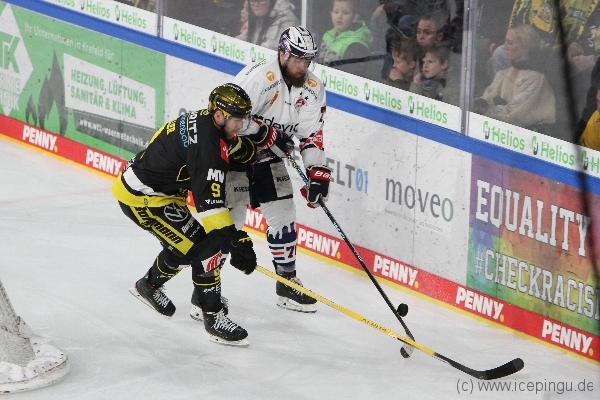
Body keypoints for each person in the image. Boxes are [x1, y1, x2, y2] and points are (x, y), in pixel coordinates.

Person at [111, 84, 259, 347]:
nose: (240, 125)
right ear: (219, 115)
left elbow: (173, 142)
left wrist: (240, 148)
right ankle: (213, 317)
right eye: (237, 120)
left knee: (184, 244)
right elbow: (211, 209)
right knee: (206, 248)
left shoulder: (205, 120)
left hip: (156, 190)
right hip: (142, 198)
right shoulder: (207, 148)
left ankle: (148, 286)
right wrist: (236, 240)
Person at [227, 26, 330, 313]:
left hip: (268, 159)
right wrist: (265, 133)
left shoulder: (313, 87)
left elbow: (311, 135)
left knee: (285, 217)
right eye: (297, 59)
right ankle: (205, 294)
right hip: (234, 157)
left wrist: (317, 171)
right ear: (282, 53)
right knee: (229, 226)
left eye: (307, 61)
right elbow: (228, 119)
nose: (302, 67)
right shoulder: (260, 78)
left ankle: (286, 284)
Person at [473, 25, 556, 132]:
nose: (504, 47)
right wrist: (480, 104)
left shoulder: (536, 78)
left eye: (510, 43)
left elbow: (514, 116)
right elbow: (488, 97)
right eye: (505, 41)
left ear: (525, 47)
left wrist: (485, 110)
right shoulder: (505, 72)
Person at [317, 0, 373, 77]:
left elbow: (353, 76)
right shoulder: (327, 36)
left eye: (345, 13)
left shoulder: (356, 44)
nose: (339, 16)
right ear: (331, 14)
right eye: (336, 12)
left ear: (354, 17)